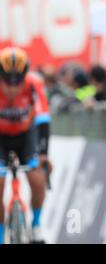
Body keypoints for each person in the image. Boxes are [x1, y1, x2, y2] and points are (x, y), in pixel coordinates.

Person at [0, 47, 51, 244]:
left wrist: (44, 155)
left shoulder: (33, 84)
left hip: (25, 136)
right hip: (1, 138)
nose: (12, 86)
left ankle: (36, 225)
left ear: (25, 76)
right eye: (7, 80)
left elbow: (43, 119)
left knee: (38, 180)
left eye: (17, 80)